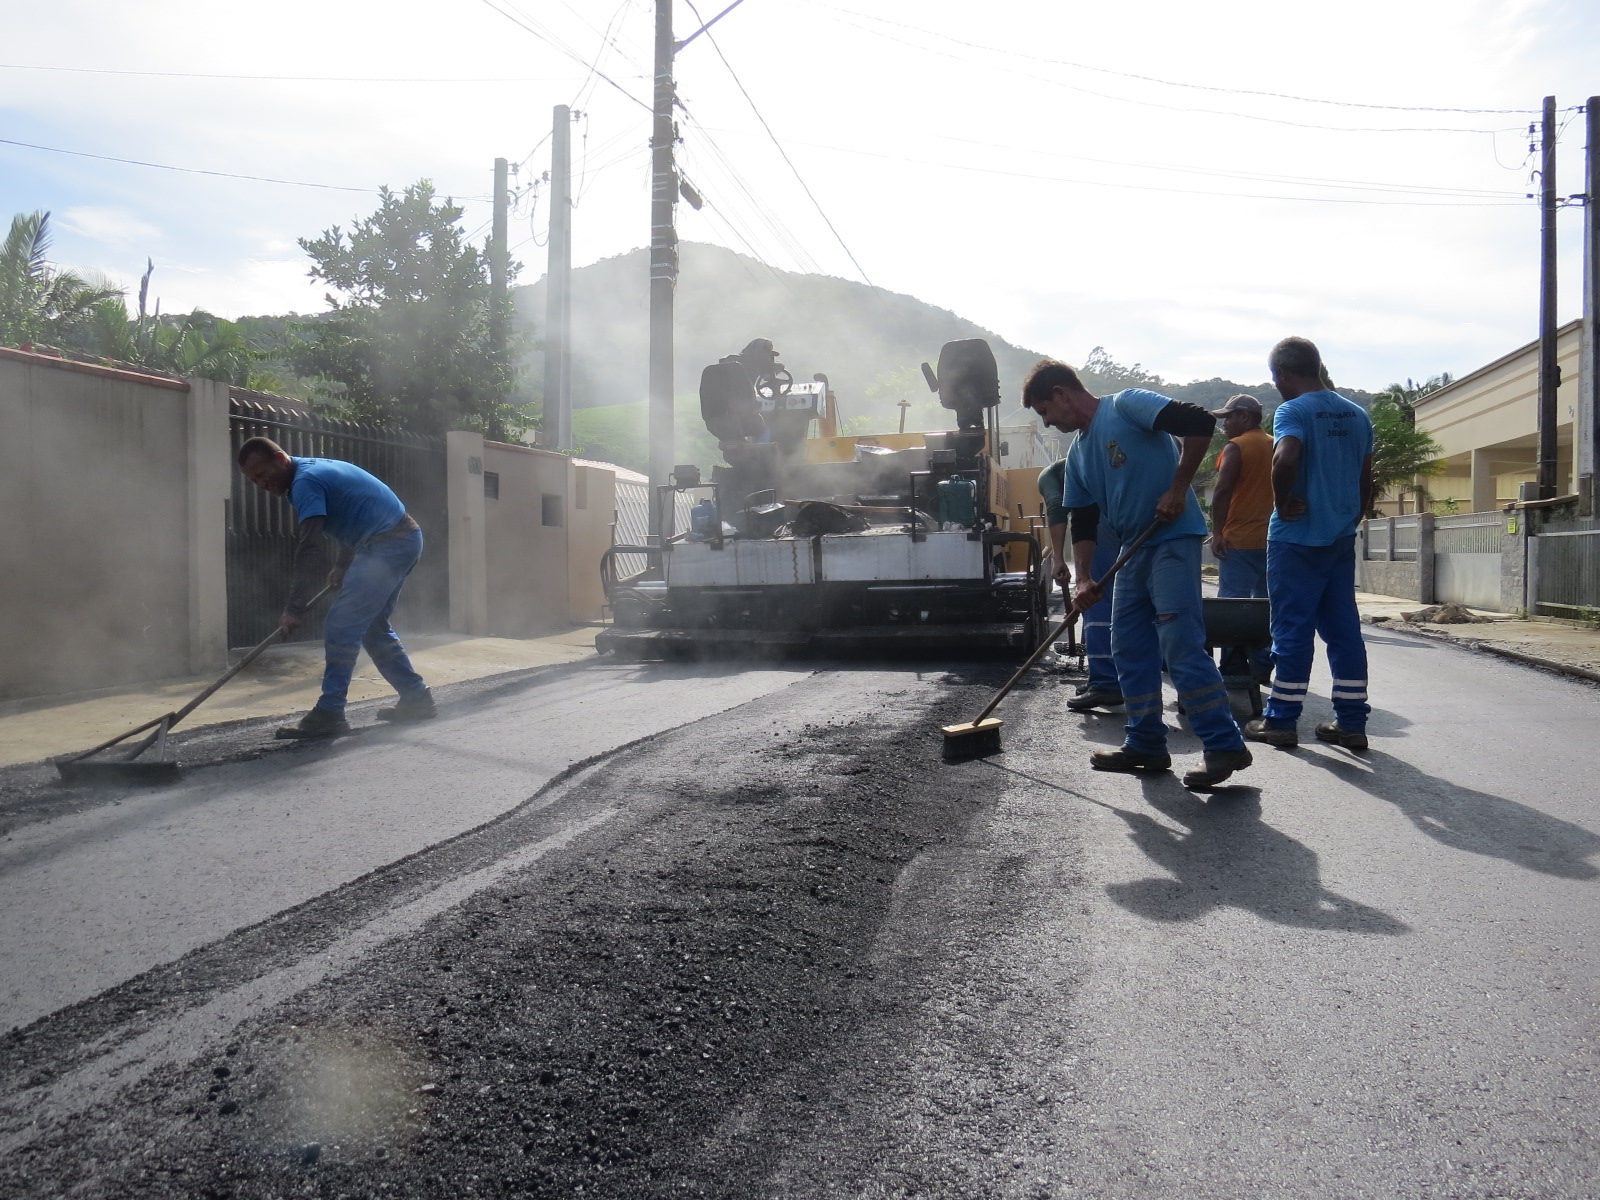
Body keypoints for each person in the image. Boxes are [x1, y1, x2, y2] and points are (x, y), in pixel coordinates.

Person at [1023, 360, 1252, 789]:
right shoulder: (1076, 457)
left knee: (1179, 642)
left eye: (1044, 411)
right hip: (1132, 548)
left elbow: (1198, 422)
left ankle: (1224, 744)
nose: (1048, 422)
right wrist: (1085, 578)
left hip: (1171, 540)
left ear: (1060, 393)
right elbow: (1084, 520)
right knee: (1126, 645)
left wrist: (1178, 487)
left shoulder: (1127, 405)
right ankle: (1146, 742)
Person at [236, 437, 436, 738]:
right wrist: (343, 564)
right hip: (399, 539)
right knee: (372, 626)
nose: (262, 483)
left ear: (279, 460)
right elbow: (354, 515)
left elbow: (310, 548)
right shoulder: (307, 473)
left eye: (263, 474)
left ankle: (330, 712)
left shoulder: (305, 482)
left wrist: (294, 608)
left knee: (341, 625)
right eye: (254, 480)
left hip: (388, 543)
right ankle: (416, 698)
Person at [1243, 338, 1374, 751]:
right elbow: (1366, 475)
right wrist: (1352, 514)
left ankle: (1281, 721)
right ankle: (1351, 722)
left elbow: (1285, 458)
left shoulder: (1292, 410)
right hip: (1338, 538)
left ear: (1282, 374)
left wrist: (1283, 502)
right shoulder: (1357, 415)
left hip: (1295, 540)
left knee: (1291, 632)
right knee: (1344, 630)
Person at [1039, 458, 1122, 710]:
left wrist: (1058, 559)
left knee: (1094, 597)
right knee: (1122, 599)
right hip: (1126, 516)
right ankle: (1115, 677)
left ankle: (1106, 682)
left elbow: (1057, 509)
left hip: (1100, 522)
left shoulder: (1048, 476)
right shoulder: (1091, 458)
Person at [1207, 393, 1275, 681]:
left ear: (1245, 416)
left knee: (1232, 607)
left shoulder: (1236, 447)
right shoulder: (1277, 443)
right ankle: (1261, 666)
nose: (1225, 425)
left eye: (1229, 418)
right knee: (1267, 607)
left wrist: (1218, 532)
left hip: (1240, 541)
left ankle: (1234, 667)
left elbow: (1222, 492)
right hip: (1274, 541)